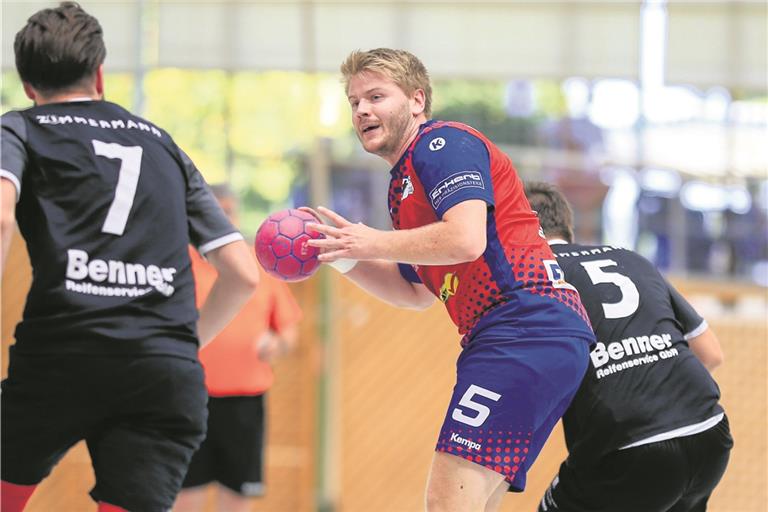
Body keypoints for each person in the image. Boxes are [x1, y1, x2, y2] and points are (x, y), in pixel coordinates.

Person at [304, 48, 596, 511]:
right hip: (527, 333)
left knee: (446, 503)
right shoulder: (403, 187)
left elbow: (465, 239)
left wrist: (371, 241)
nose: (361, 111)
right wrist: (339, 255)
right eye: (354, 102)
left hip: (524, 326)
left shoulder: (441, 144)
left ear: (417, 100)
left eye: (376, 97)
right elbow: (414, 293)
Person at [0, 3, 260, 512]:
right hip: (164, 374)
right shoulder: (163, 145)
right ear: (99, 75)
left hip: (62, 354)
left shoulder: (20, 128)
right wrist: (182, 346)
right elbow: (243, 274)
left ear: (28, 86)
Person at [524, 181, 733, 512]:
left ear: (519, 227)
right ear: (566, 224)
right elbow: (711, 354)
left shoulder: (534, 275)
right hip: (709, 434)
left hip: (629, 447)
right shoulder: (631, 258)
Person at [174, 184, 303, 512]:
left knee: (237, 495)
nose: (223, 220)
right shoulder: (178, 265)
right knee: (186, 493)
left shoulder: (258, 265)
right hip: (189, 397)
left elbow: (289, 331)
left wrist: (277, 344)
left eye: (229, 212)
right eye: (215, 213)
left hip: (244, 402)